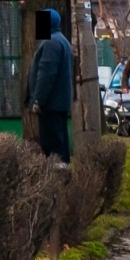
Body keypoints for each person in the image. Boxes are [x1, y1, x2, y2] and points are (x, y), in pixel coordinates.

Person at [26, 9, 74, 162]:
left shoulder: (50, 43)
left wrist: (38, 100)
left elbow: (46, 74)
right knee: (60, 144)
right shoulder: (62, 41)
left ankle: (57, 179)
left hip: (50, 104)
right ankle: (64, 175)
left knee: (52, 147)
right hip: (59, 103)